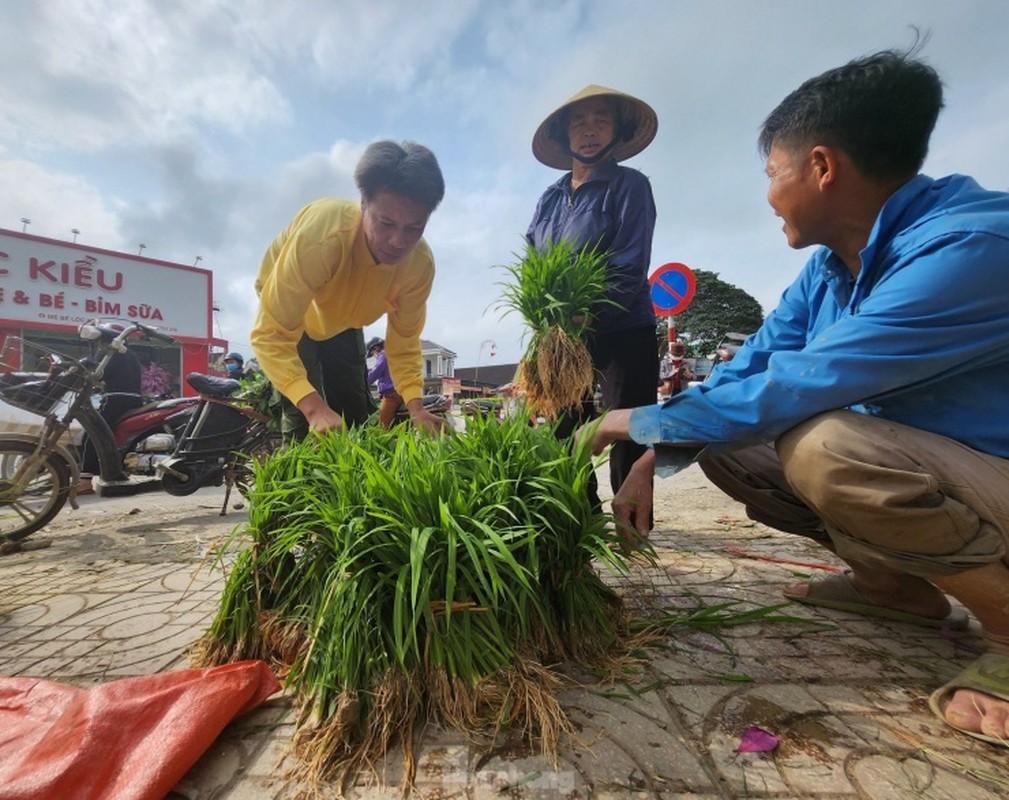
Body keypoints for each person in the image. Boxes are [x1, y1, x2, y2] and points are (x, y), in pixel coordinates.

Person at [583, 48, 1009, 747]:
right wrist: (651, 448)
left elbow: (803, 384)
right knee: (731, 449)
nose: (767, 191)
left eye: (770, 173)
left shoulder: (969, 248)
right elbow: (751, 368)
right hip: (943, 475)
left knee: (825, 450)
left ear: (820, 166)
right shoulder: (827, 269)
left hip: (989, 470)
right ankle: (894, 590)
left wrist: (620, 420)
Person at [251, 140, 450, 439]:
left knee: (355, 413)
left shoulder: (419, 265)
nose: (398, 241)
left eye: (413, 228)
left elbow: (405, 339)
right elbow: (270, 333)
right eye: (386, 223)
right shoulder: (323, 237)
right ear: (363, 204)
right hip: (296, 313)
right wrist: (314, 407)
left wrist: (416, 407)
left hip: (344, 319)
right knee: (305, 417)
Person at [527, 84, 659, 528]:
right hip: (565, 336)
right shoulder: (549, 198)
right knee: (567, 426)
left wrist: (587, 317)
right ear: (564, 134)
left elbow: (629, 264)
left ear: (616, 129)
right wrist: (548, 325)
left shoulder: (629, 187)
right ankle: (579, 518)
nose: (589, 130)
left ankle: (633, 521)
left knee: (630, 425)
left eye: (600, 119)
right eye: (578, 122)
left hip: (624, 327)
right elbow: (534, 261)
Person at [366, 336, 403, 429]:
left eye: (372, 353)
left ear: (375, 348)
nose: (374, 356)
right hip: (401, 391)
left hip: (392, 395)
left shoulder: (383, 355)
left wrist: (363, 383)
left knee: (383, 427)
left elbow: (376, 372)